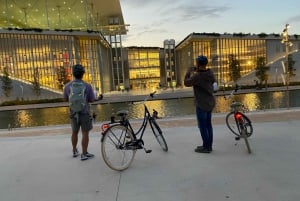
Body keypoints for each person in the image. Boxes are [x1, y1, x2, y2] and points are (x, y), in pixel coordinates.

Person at [184, 55, 216, 153]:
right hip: (210, 102)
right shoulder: (210, 73)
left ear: (198, 64)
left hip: (201, 104)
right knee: (208, 125)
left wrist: (188, 72)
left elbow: (186, 83)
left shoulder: (198, 76)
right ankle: (208, 146)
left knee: (202, 126)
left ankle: (205, 148)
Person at [63, 64, 96, 160]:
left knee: (74, 132)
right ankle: (84, 154)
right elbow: (92, 100)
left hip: (73, 113)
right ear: (83, 74)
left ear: (73, 74)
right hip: (84, 113)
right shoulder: (87, 86)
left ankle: (74, 150)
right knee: (85, 133)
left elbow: (65, 99)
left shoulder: (68, 86)